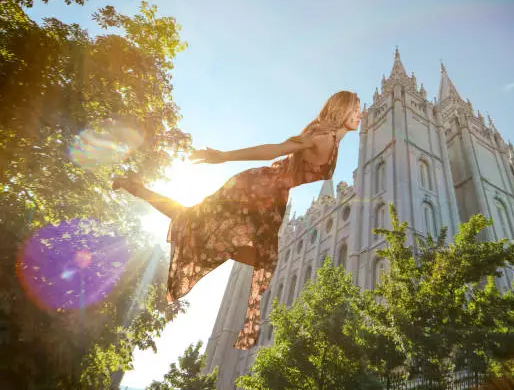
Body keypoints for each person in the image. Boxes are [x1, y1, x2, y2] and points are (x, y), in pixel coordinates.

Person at [112, 91, 364, 350]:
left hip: (274, 196)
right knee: (206, 228)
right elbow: (274, 150)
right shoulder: (320, 137)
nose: (361, 114)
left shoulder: (333, 140)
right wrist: (223, 156)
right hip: (261, 187)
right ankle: (142, 192)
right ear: (342, 110)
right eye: (356, 109)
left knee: (205, 227)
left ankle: (138, 189)